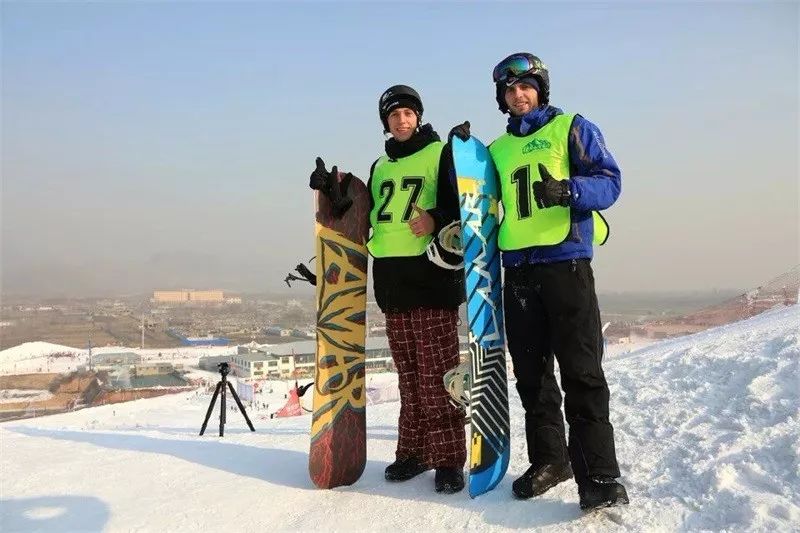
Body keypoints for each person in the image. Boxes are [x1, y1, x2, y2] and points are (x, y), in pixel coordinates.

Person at [456, 52, 628, 510]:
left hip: (566, 265)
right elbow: (478, 203)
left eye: (526, 86)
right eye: (510, 90)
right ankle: (550, 460)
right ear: (502, 98)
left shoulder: (571, 126)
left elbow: (610, 182)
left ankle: (600, 478)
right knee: (532, 376)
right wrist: (462, 159)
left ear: (540, 88)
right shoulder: (496, 150)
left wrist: (569, 190)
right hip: (518, 273)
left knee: (581, 372)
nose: (519, 94)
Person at [310, 85, 467, 493]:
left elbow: (463, 205)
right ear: (386, 123)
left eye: (408, 113)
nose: (402, 120)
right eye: (394, 115)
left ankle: (448, 459)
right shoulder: (381, 165)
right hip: (394, 283)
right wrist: (333, 191)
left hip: (432, 278)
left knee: (440, 376)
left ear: (418, 116)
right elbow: (366, 216)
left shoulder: (439, 153)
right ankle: (413, 453)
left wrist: (435, 218)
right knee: (410, 377)